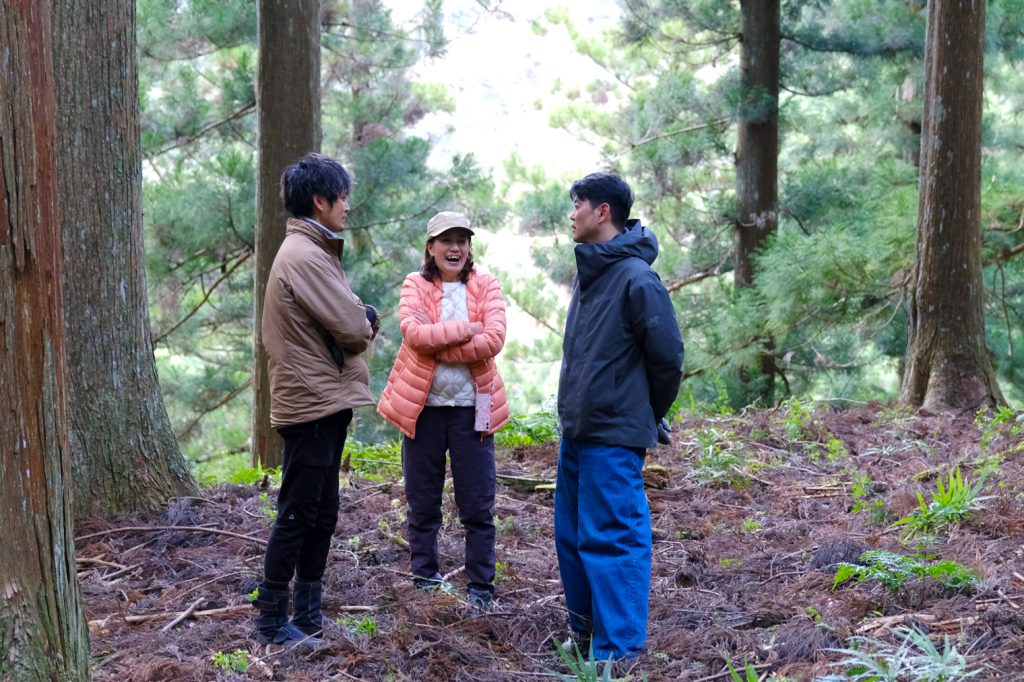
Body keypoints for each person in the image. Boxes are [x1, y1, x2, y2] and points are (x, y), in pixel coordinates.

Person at [554, 172, 684, 661]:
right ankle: (586, 635)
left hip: (613, 434)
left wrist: (647, 413)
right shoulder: (590, 273)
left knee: (613, 539)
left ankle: (617, 654)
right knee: (573, 538)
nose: (572, 214)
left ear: (603, 212)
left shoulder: (637, 278)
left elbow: (667, 358)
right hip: (579, 431)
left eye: (578, 204)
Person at [253, 152, 381, 648]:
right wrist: (366, 318)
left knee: (322, 511)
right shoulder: (305, 256)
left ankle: (307, 616)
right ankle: (269, 622)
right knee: (298, 512)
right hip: (310, 403)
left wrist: (357, 316)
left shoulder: (314, 251)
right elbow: (353, 329)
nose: (347, 206)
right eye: (342, 197)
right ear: (320, 200)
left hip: (323, 401)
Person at [377, 210, 509, 611]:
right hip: (424, 410)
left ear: (469, 247)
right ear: (430, 247)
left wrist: (442, 341)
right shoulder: (414, 284)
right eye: (446, 240)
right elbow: (414, 334)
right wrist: (470, 328)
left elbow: (495, 339)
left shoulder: (486, 284)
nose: (455, 248)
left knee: (478, 503)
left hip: (474, 410)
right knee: (422, 500)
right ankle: (424, 580)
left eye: (461, 240)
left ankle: (481, 587)